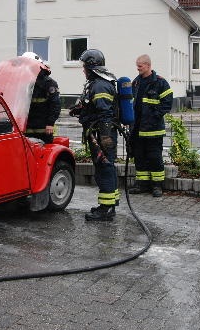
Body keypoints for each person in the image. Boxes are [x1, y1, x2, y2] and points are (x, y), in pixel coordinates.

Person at [70, 49, 119, 221]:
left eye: (84, 67)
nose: (83, 70)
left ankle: (106, 210)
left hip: (101, 135)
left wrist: (104, 139)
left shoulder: (100, 85)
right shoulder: (99, 82)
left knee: (104, 169)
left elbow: (104, 113)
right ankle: (109, 205)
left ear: (91, 67)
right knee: (106, 168)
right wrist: (80, 109)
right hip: (99, 134)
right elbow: (94, 106)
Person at [128, 54, 172, 197]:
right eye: (137, 65)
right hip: (138, 129)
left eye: (140, 66)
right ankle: (142, 185)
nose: (138, 68)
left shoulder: (160, 83)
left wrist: (154, 117)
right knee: (139, 157)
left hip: (153, 130)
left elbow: (167, 104)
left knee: (154, 158)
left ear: (147, 65)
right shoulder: (136, 82)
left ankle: (157, 186)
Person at [21, 52, 61, 144]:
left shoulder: (49, 83)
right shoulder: (26, 83)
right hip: (27, 127)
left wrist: (50, 124)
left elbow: (55, 104)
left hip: (44, 129)